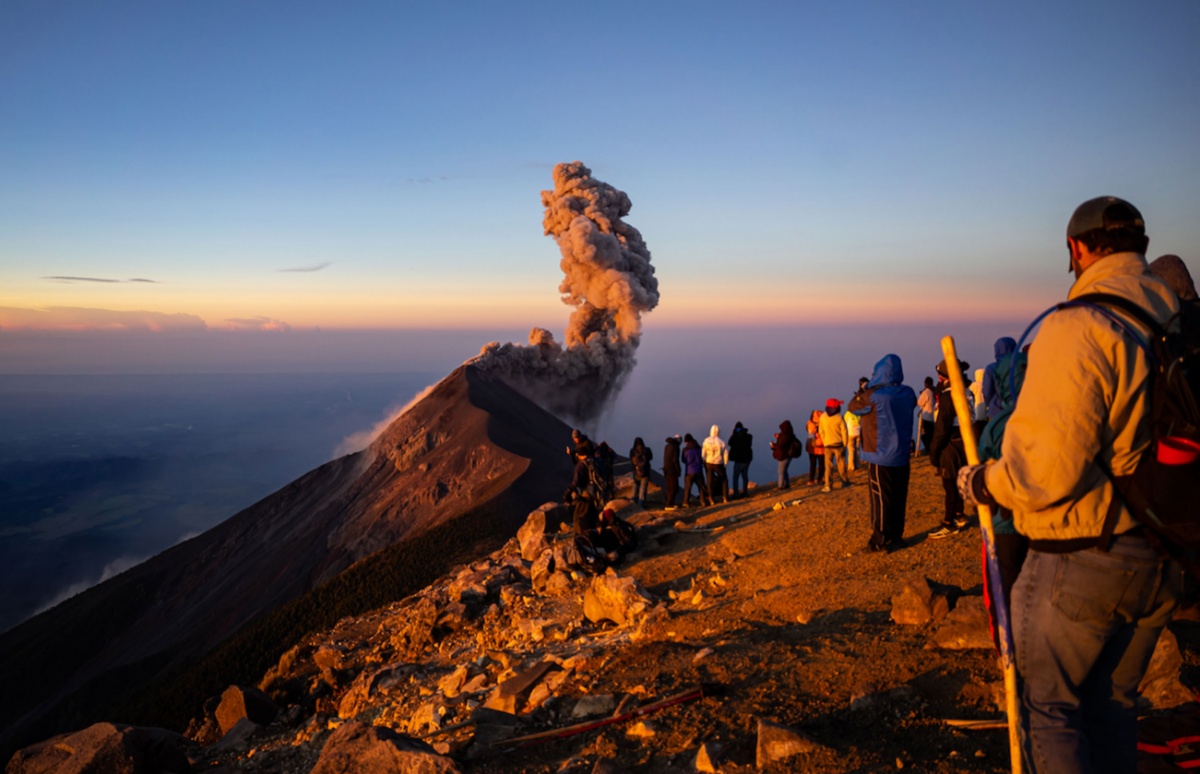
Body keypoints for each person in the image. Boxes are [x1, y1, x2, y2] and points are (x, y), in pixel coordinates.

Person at [958, 196, 1184, 773]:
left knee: (1047, 709)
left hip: (1082, 553)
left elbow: (1044, 473)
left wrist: (984, 482)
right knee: (1112, 705)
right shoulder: (1177, 319)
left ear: (1076, 249)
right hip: (1163, 551)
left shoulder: (1079, 326)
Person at [849, 354, 916, 552]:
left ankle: (879, 540)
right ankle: (896, 536)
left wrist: (865, 389)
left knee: (880, 499)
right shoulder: (908, 393)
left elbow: (853, 407)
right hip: (902, 454)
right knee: (898, 498)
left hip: (880, 455)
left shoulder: (873, 396)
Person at [929, 358, 970, 539]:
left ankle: (948, 522)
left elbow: (942, 426)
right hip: (962, 441)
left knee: (949, 484)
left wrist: (934, 451)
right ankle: (959, 515)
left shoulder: (948, 396)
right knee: (958, 481)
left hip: (950, 445)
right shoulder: (964, 391)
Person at [818, 398, 851, 492]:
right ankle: (844, 482)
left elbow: (821, 431)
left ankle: (828, 485)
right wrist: (845, 443)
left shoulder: (823, 417)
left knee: (828, 466)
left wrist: (825, 442)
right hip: (839, 445)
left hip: (828, 445)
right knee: (841, 465)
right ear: (836, 407)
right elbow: (844, 431)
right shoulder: (839, 417)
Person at [982, 337, 1017, 421]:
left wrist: (989, 404)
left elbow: (987, 392)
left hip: (996, 411)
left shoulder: (991, 368)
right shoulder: (1022, 366)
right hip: (1018, 411)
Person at [701, 425, 730, 503]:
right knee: (724, 479)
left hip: (708, 462)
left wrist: (703, 461)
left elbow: (703, 453)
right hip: (718, 463)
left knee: (709, 481)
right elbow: (726, 454)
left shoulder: (706, 441)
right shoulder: (722, 442)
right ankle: (725, 497)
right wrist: (725, 463)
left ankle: (711, 498)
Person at [681, 433, 710, 507]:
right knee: (701, 486)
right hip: (699, 470)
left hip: (689, 471)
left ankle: (686, 502)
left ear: (686, 441)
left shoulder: (685, 449)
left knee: (688, 487)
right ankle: (703, 501)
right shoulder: (699, 448)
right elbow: (703, 458)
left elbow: (683, 460)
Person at [770, 419, 799, 490]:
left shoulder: (786, 436)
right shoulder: (789, 435)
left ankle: (780, 486)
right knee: (784, 470)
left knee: (780, 471)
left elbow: (781, 445)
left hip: (784, 456)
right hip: (788, 455)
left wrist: (774, 446)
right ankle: (786, 484)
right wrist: (778, 437)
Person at [727, 421, 753, 498]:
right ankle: (745, 492)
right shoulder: (749, 437)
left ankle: (736, 494)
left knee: (736, 477)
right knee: (745, 476)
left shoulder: (735, 438)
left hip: (739, 460)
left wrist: (733, 434)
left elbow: (729, 443)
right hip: (747, 459)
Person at [628, 437, 653, 507]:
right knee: (643, 488)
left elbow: (631, 459)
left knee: (635, 486)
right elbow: (651, 457)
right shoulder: (647, 450)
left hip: (636, 472)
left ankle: (633, 502)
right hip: (645, 472)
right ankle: (641, 504)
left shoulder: (632, 451)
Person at [916, 377, 936, 455]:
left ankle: (929, 450)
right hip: (934, 417)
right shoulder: (934, 391)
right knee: (932, 435)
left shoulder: (927, 392)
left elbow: (920, 402)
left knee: (926, 435)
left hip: (927, 417)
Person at [805, 410, 825, 486]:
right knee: (821, 464)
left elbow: (807, 430)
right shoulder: (823, 423)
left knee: (812, 464)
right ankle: (820, 479)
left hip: (811, 447)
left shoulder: (809, 423)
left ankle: (811, 479)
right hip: (821, 447)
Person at [662, 435, 682, 510]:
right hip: (672, 469)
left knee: (669, 486)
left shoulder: (667, 446)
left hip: (666, 468)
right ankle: (669, 504)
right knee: (673, 487)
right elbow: (675, 460)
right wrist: (678, 470)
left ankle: (670, 503)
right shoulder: (675, 447)